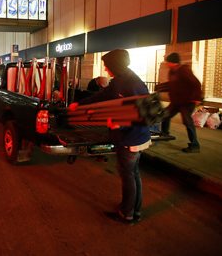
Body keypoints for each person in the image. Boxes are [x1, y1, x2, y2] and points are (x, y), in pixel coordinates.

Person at [69, 49, 151, 224]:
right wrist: (80, 104)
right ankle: (134, 211)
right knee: (133, 174)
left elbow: (144, 113)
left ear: (116, 65)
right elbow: (102, 95)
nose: (105, 70)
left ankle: (127, 214)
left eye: (107, 66)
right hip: (129, 137)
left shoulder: (133, 84)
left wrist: (121, 124)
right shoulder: (120, 80)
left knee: (128, 175)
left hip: (132, 138)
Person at [158, 52, 202, 153]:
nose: (166, 64)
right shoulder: (172, 72)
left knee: (187, 122)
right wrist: (160, 88)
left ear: (173, 63)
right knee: (165, 115)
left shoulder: (184, 71)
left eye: (168, 62)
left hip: (187, 101)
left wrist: (196, 98)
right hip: (176, 101)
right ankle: (165, 134)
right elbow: (172, 84)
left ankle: (195, 145)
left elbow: (195, 84)